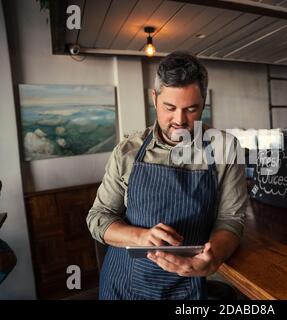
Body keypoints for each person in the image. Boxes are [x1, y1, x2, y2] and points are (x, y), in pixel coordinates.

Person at [87, 52, 248, 300]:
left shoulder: (225, 149)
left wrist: (213, 257)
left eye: (191, 109)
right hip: (124, 284)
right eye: (169, 108)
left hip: (186, 287)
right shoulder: (128, 150)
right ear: (154, 98)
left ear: (203, 102)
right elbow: (98, 217)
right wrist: (142, 236)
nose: (180, 120)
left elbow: (231, 219)